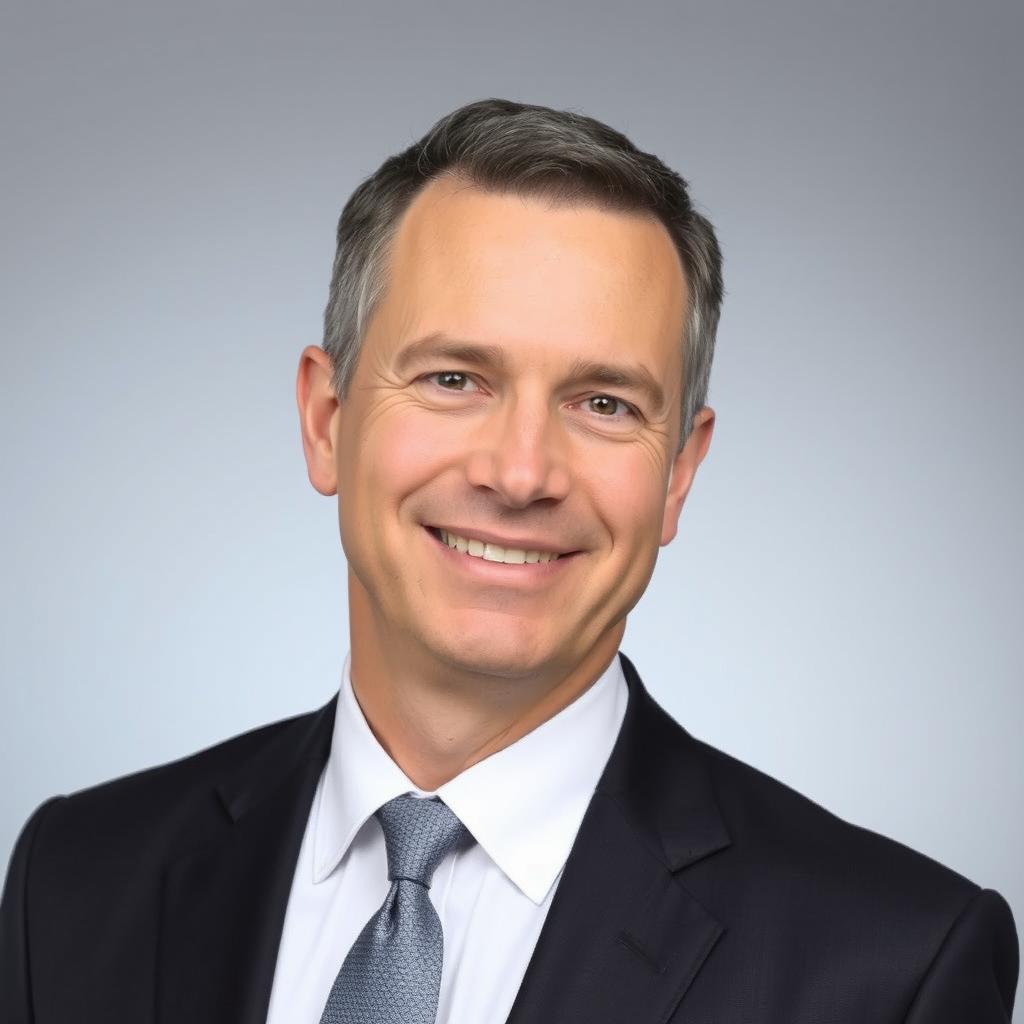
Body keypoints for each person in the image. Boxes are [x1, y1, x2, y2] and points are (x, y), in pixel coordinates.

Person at [0, 97, 1017, 1024]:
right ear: (325, 419)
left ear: (676, 475)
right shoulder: (76, 880)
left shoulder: (894, 967)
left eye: (604, 403)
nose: (521, 471)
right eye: (454, 377)